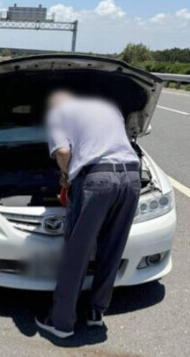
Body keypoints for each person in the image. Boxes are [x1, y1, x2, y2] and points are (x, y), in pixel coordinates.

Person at [36, 90, 141, 339]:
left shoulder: (57, 114)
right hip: (132, 176)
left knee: (78, 251)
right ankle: (96, 313)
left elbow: (63, 153)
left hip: (98, 179)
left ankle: (61, 323)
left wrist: (65, 176)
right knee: (112, 249)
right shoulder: (110, 107)